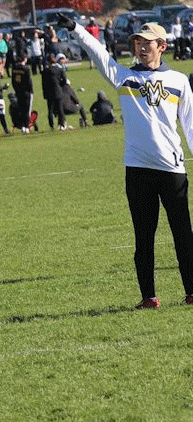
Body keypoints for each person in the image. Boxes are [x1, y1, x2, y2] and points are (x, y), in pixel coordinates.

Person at [65, 16, 193, 308]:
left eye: (147, 43)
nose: (141, 47)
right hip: (137, 170)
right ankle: (149, 297)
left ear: (162, 46)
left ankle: (191, 291)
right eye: (137, 42)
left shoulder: (178, 81)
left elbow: (190, 124)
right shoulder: (123, 77)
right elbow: (98, 53)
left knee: (183, 235)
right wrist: (76, 29)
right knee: (143, 237)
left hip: (172, 169)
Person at [40, 53, 68, 131]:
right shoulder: (59, 69)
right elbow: (64, 80)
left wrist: (45, 93)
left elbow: (43, 83)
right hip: (58, 91)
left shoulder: (45, 71)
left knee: (50, 110)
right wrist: (60, 85)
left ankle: (51, 125)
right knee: (60, 109)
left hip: (49, 92)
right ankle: (62, 124)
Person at [9, 52, 35, 133]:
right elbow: (29, 81)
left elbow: (13, 81)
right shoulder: (26, 69)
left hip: (18, 91)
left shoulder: (14, 68)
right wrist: (31, 90)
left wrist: (16, 89)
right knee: (27, 110)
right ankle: (26, 127)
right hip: (26, 91)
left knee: (21, 109)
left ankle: (23, 127)